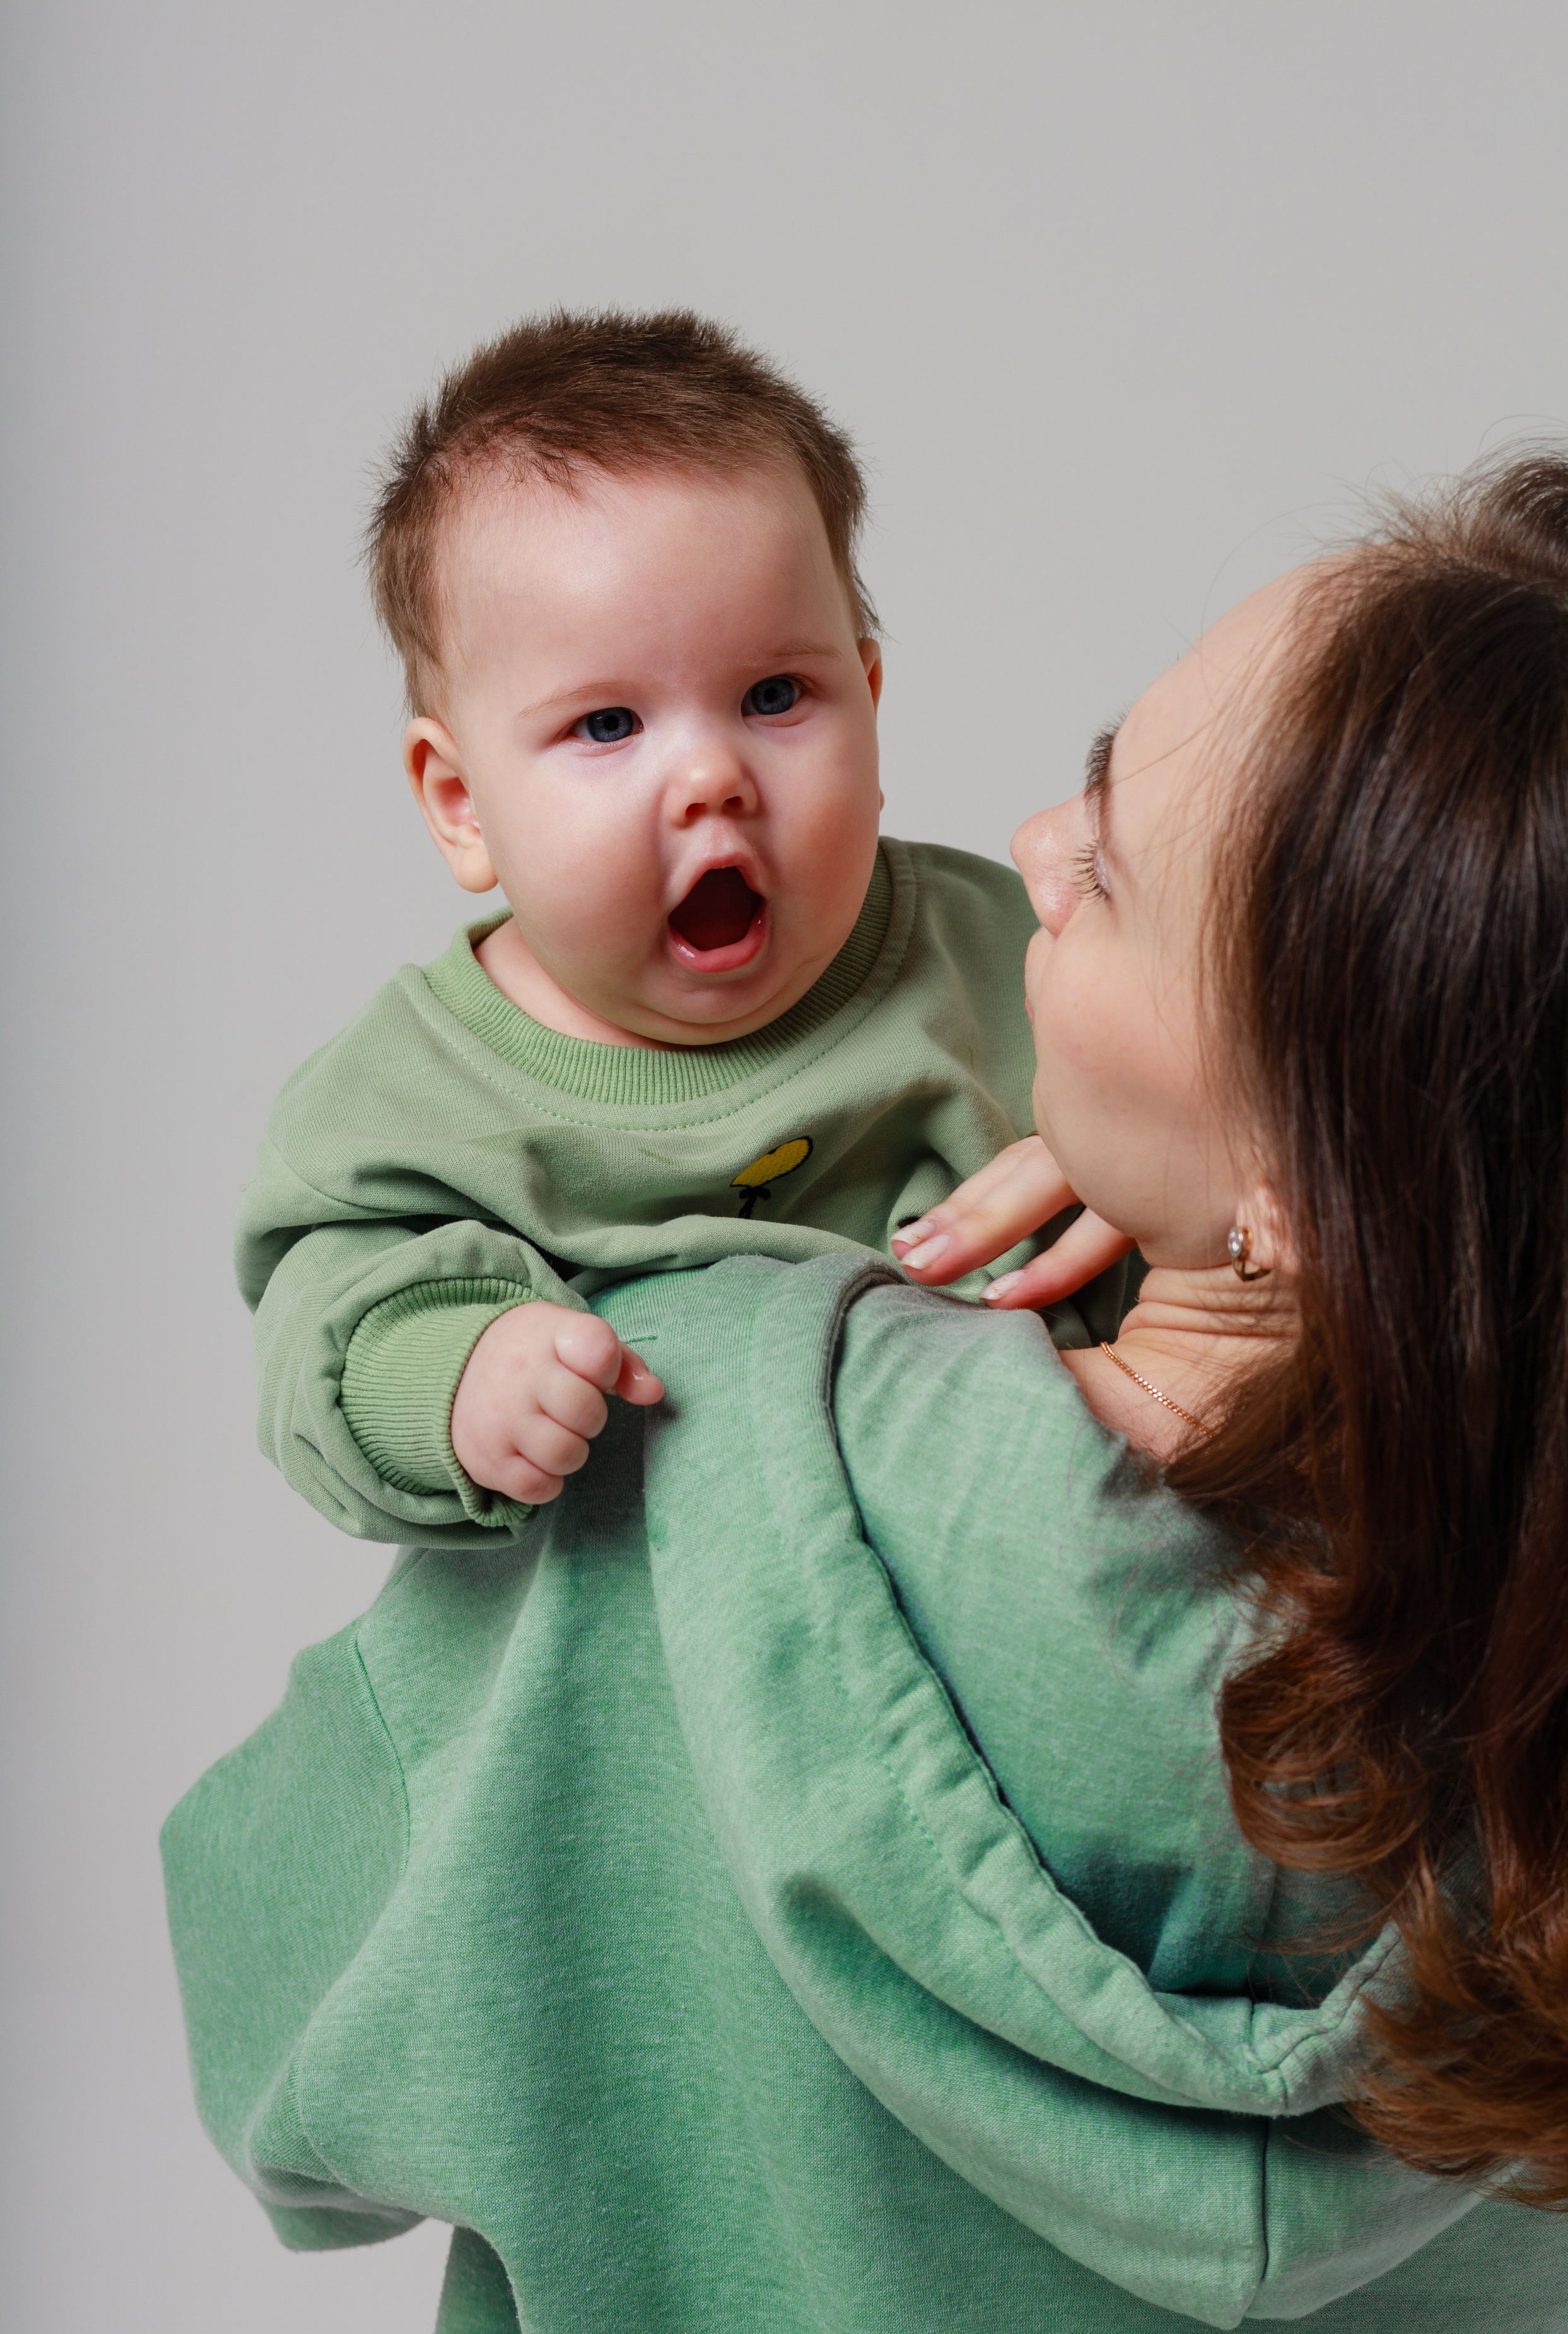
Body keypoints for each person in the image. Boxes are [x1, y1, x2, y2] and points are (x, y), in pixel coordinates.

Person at [164, 452, 1568, 2334]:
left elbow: (277, 2048)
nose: (1023, 842)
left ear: (1297, 1173)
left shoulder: (670, 1468)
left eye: (1107, 867)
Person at [241, 307, 1130, 1550]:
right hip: (653, 1673)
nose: (710, 777)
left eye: (774, 696)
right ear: (462, 805)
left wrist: (1168, 1180)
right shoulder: (412, 1101)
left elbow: (1216, 1188)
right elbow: (326, 1336)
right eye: (607, 725)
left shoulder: (1008, 961)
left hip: (1011, 1597)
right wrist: (459, 1372)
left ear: (868, 701)